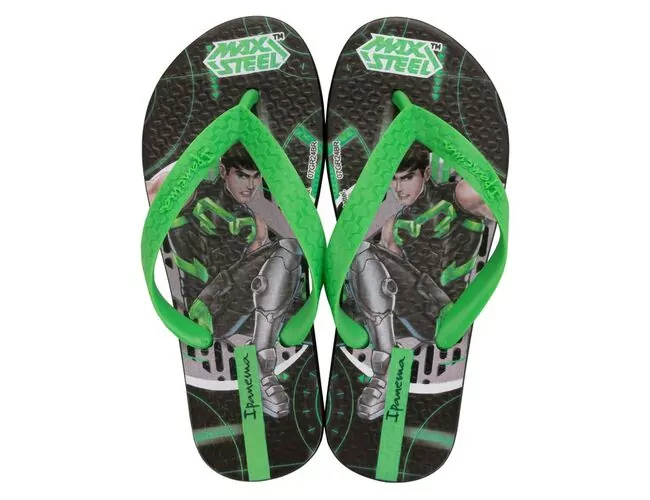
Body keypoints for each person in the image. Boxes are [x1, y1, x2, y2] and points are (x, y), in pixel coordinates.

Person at [146, 145, 303, 418]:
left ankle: (261, 361)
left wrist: (261, 210)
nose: (250, 185)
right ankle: (263, 368)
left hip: (243, 306)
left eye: (256, 176)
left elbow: (285, 246)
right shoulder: (197, 193)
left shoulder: (256, 203)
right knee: (287, 248)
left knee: (290, 249)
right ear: (223, 171)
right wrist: (205, 152)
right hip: (207, 308)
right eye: (242, 176)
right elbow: (152, 191)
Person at [346, 144, 495, 420]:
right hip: (400, 314)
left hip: (439, 313)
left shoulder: (453, 199)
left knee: (364, 254)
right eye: (393, 179)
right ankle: (387, 363)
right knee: (360, 255)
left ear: (425, 174)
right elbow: (376, 262)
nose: (399, 188)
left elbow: (484, 197)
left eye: (406, 178)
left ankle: (384, 371)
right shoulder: (390, 214)